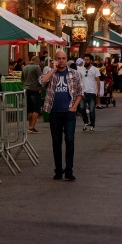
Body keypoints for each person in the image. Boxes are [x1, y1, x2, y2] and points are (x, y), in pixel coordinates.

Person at [38, 50, 84, 181]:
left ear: (67, 59)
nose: (62, 60)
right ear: (55, 60)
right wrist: (53, 70)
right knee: (56, 142)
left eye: (64, 58)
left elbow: (81, 91)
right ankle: (58, 170)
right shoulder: (50, 73)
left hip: (69, 112)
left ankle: (69, 170)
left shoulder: (74, 73)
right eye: (59, 58)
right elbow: (41, 81)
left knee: (69, 140)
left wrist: (73, 107)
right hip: (54, 112)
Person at [77, 55, 100, 132]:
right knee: (82, 108)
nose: (85, 61)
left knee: (92, 110)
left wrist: (98, 92)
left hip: (92, 92)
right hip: (83, 92)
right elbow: (78, 80)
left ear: (91, 61)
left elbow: (98, 81)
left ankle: (92, 124)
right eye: (85, 59)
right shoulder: (81, 69)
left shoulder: (95, 70)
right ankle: (86, 122)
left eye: (87, 60)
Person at [22, 56, 42, 133]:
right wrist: (40, 88)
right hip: (34, 90)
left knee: (30, 110)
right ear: (36, 61)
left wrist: (25, 85)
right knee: (36, 109)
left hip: (26, 89)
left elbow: (22, 79)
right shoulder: (36, 67)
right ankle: (32, 127)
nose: (39, 63)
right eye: (39, 61)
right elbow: (40, 79)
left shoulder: (25, 67)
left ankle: (30, 126)